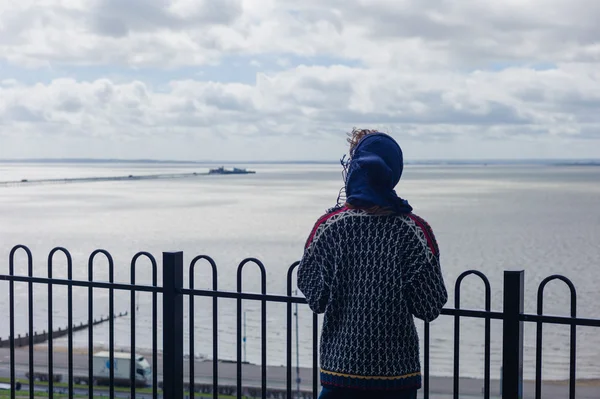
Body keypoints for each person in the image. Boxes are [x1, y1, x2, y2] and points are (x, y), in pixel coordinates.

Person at [297, 128, 448, 399]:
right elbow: (430, 306)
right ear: (393, 173)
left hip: (339, 375)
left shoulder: (328, 228)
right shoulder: (414, 232)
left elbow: (315, 298)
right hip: (396, 379)